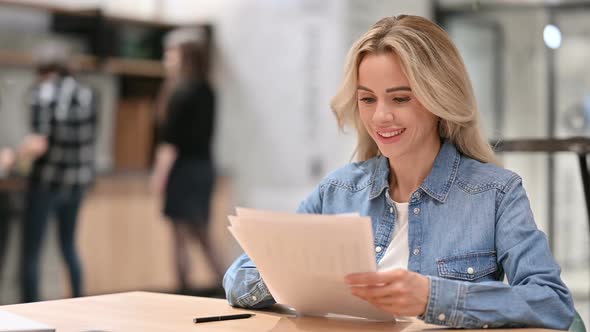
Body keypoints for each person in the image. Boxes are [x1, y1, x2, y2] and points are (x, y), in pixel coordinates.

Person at [223, 15, 575, 329]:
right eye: (368, 99)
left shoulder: (496, 193)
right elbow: (237, 278)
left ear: (440, 99)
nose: (380, 117)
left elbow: (552, 304)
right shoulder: (339, 191)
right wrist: (290, 275)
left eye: (400, 98)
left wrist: (432, 298)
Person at [19, 40, 97, 302]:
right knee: (69, 247)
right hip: (77, 184)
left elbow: (40, 143)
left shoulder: (43, 93)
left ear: (43, 69)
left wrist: (15, 155)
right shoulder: (87, 94)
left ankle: (29, 310)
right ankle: (78, 301)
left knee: (31, 252)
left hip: (47, 184)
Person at [150, 28, 224, 293]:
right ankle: (228, 285)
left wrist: (159, 177)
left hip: (183, 171)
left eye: (171, 53)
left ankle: (183, 291)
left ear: (184, 56)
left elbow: (170, 143)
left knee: (181, 237)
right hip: (204, 168)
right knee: (202, 233)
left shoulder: (180, 93)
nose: (167, 58)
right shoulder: (208, 90)